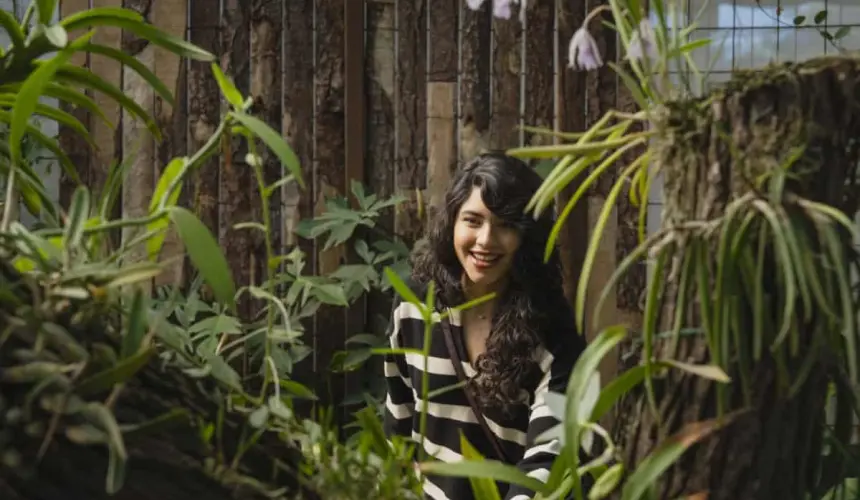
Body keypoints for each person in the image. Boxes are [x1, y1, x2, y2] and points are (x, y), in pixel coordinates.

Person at [383, 152, 589, 500]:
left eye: (506, 225)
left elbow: (548, 457)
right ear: (452, 223)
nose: (485, 240)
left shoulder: (554, 330)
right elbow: (398, 425)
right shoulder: (414, 305)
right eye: (473, 220)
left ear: (527, 236)